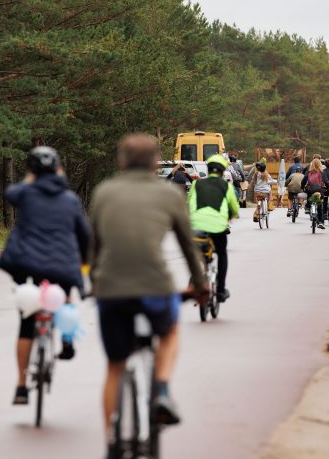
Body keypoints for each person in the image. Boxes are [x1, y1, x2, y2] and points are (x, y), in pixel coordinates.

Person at [88, 134, 207, 448]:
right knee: (168, 333)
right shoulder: (169, 194)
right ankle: (163, 392)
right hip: (156, 286)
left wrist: (94, 284)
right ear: (157, 163)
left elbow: (94, 246)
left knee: (115, 366)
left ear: (121, 161)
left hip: (111, 289)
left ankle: (112, 438)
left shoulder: (104, 192)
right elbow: (186, 244)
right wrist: (201, 284)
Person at [0, 146, 89, 405]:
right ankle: (68, 341)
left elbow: (10, 193)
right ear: (59, 168)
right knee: (65, 297)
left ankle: (21, 387)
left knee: (27, 323)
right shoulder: (70, 199)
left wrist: (30, 179)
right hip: (62, 266)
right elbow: (83, 235)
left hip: (29, 265)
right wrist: (84, 261)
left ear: (32, 171)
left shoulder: (25, 192)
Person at [188, 154, 239, 302]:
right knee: (222, 254)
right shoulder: (226, 186)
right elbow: (234, 208)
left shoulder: (196, 184)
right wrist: (231, 215)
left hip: (196, 226)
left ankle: (195, 279)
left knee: (196, 253)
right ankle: (221, 290)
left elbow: (188, 203)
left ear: (208, 170)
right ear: (223, 171)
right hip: (217, 228)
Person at [300, 158, 327, 229]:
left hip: (310, 190)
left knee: (309, 197)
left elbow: (303, 182)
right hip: (319, 190)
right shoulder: (322, 173)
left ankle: (308, 207)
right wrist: (327, 188)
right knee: (320, 206)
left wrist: (302, 187)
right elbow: (327, 182)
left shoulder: (308, 172)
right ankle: (321, 222)